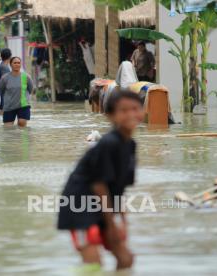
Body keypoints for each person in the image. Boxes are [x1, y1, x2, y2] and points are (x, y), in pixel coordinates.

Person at [58, 90, 144, 273]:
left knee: (126, 258)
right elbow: (99, 184)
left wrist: (123, 221)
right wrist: (112, 223)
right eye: (124, 110)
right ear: (111, 116)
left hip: (103, 205)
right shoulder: (108, 143)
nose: (131, 114)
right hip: (78, 205)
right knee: (93, 264)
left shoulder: (130, 145)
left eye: (135, 109)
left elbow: (119, 188)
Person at [0, 57, 34, 127]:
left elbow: (30, 89)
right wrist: (1, 108)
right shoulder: (5, 78)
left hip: (23, 105)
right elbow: (0, 91)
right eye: (15, 63)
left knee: (22, 124)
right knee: (8, 128)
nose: (17, 64)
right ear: (10, 65)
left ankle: (21, 138)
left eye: (18, 63)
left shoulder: (26, 77)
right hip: (9, 106)